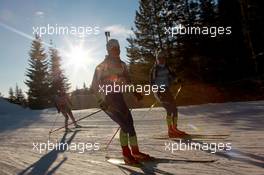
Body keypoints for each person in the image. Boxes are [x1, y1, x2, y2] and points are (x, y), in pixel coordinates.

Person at [91, 39, 151, 165]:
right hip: (108, 99)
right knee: (125, 125)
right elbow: (94, 86)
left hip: (118, 97)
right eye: (113, 49)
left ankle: (135, 152)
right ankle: (126, 155)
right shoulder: (102, 66)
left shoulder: (122, 65)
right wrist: (101, 101)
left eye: (117, 48)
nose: (116, 51)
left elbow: (127, 82)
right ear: (108, 50)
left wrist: (135, 92)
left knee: (130, 123)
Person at [150, 50, 189, 138]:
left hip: (166, 90)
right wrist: (156, 91)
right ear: (157, 59)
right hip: (159, 91)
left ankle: (174, 128)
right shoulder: (154, 69)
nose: (161, 60)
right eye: (159, 58)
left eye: (163, 58)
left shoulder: (167, 67)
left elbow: (173, 76)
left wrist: (178, 80)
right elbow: (151, 82)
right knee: (169, 109)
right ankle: (170, 130)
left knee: (174, 109)